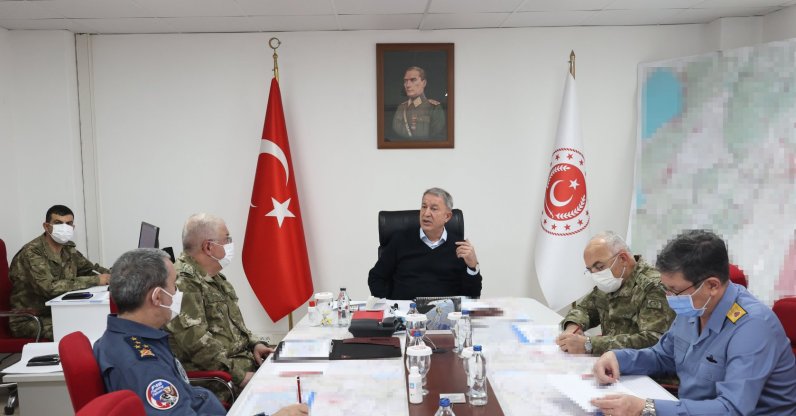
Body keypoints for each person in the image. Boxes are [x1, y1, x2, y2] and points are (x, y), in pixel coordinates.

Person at [591, 230, 796, 416]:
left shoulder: (753, 327)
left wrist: (647, 408)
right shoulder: (695, 305)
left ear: (712, 285)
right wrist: (618, 358)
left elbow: (731, 409)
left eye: (674, 290)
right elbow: (663, 356)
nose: (669, 297)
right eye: (666, 288)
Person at [94, 248, 307, 416]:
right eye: (174, 286)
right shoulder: (143, 367)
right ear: (157, 297)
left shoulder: (137, 338)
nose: (178, 293)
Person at [165, 213, 269, 399]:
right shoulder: (182, 283)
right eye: (227, 239)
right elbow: (198, 345)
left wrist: (255, 343)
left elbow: (235, 325)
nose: (230, 244)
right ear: (208, 247)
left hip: (241, 363)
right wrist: (240, 376)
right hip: (218, 381)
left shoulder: (213, 277)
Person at [556, 231, 674, 355]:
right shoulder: (611, 282)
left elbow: (653, 340)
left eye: (600, 267)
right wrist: (573, 327)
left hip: (640, 365)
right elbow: (584, 309)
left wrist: (590, 344)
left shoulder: (654, 286)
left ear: (623, 259)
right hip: (610, 361)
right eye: (590, 270)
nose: (596, 274)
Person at [9, 204, 110, 340]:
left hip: (60, 311)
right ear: (46, 226)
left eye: (68, 224)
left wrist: (118, 274)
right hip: (31, 319)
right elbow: (49, 288)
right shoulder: (32, 252)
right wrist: (96, 280)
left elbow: (90, 270)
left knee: (102, 321)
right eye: (58, 223)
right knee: (86, 330)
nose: (64, 227)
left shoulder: (68, 248)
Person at [368, 187, 482, 300]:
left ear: (447, 216)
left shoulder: (460, 247)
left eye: (434, 209)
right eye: (424, 207)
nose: (426, 213)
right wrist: (387, 304)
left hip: (446, 310)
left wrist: (472, 267)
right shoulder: (400, 240)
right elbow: (376, 277)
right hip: (406, 309)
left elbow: (473, 294)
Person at [391, 66, 446, 140]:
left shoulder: (433, 107)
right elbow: (395, 134)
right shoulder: (401, 108)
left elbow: (436, 135)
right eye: (405, 81)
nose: (408, 85)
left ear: (424, 83)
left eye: (413, 80)